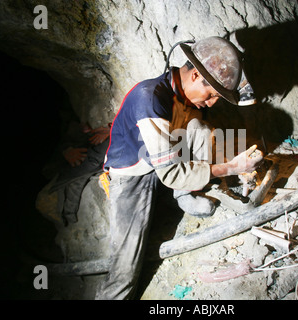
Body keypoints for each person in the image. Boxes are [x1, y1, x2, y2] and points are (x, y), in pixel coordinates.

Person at [95, 36, 264, 300]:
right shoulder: (149, 99)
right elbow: (171, 173)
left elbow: (191, 136)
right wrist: (231, 167)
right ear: (196, 75)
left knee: (200, 127)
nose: (211, 103)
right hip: (131, 174)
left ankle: (187, 194)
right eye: (212, 95)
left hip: (161, 158)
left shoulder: (182, 93)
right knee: (126, 263)